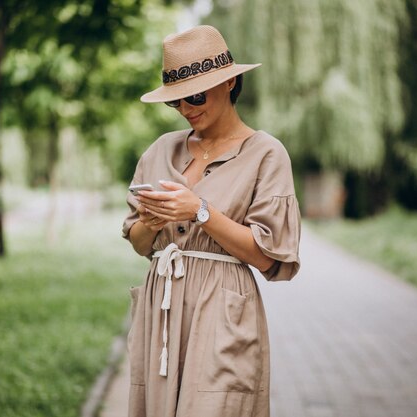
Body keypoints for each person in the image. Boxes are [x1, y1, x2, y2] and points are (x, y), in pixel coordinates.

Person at [122, 25, 301, 417]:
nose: (187, 108)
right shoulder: (160, 150)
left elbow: (270, 259)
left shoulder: (266, 155)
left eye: (196, 96)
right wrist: (151, 221)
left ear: (230, 82)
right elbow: (138, 244)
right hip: (163, 314)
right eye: (176, 102)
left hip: (223, 312)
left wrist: (199, 211)